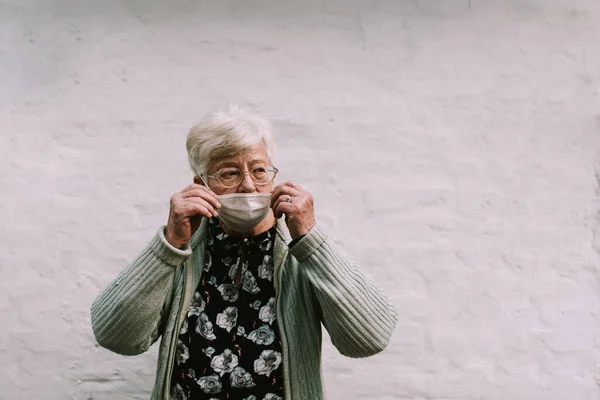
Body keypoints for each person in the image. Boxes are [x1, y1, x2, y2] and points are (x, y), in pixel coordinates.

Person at [91, 104, 398, 400]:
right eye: (229, 173)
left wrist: (311, 238)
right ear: (201, 185)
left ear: (273, 177)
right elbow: (116, 337)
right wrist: (169, 244)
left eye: (259, 170)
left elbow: (369, 340)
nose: (249, 186)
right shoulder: (184, 251)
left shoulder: (301, 252)